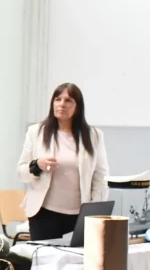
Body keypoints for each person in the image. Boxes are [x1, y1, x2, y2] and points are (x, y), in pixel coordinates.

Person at [16, 82, 109, 240]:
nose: (61, 104)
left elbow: (101, 177)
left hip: (79, 215)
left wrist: (94, 212)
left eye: (68, 100)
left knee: (77, 256)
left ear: (77, 107)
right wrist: (37, 165)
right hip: (43, 213)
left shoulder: (94, 136)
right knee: (44, 255)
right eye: (57, 99)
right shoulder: (36, 132)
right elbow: (20, 172)